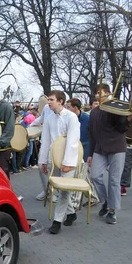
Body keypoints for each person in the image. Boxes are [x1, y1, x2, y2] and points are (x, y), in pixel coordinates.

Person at [87, 84, 132, 224]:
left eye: (101, 92)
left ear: (108, 93)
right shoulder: (94, 112)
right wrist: (90, 153)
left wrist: (129, 118)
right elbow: (92, 134)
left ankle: (112, 211)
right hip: (100, 148)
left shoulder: (116, 109)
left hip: (117, 148)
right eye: (97, 93)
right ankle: (106, 200)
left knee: (114, 181)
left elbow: (122, 128)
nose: (98, 95)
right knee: (94, 175)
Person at [37, 91, 81, 234]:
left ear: (60, 101)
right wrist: (43, 161)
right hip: (54, 159)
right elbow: (46, 140)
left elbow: (73, 141)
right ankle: (71, 213)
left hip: (69, 159)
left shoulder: (72, 117)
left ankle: (57, 221)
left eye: (51, 100)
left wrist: (68, 162)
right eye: (48, 99)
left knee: (64, 191)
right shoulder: (49, 118)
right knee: (59, 188)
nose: (49, 102)